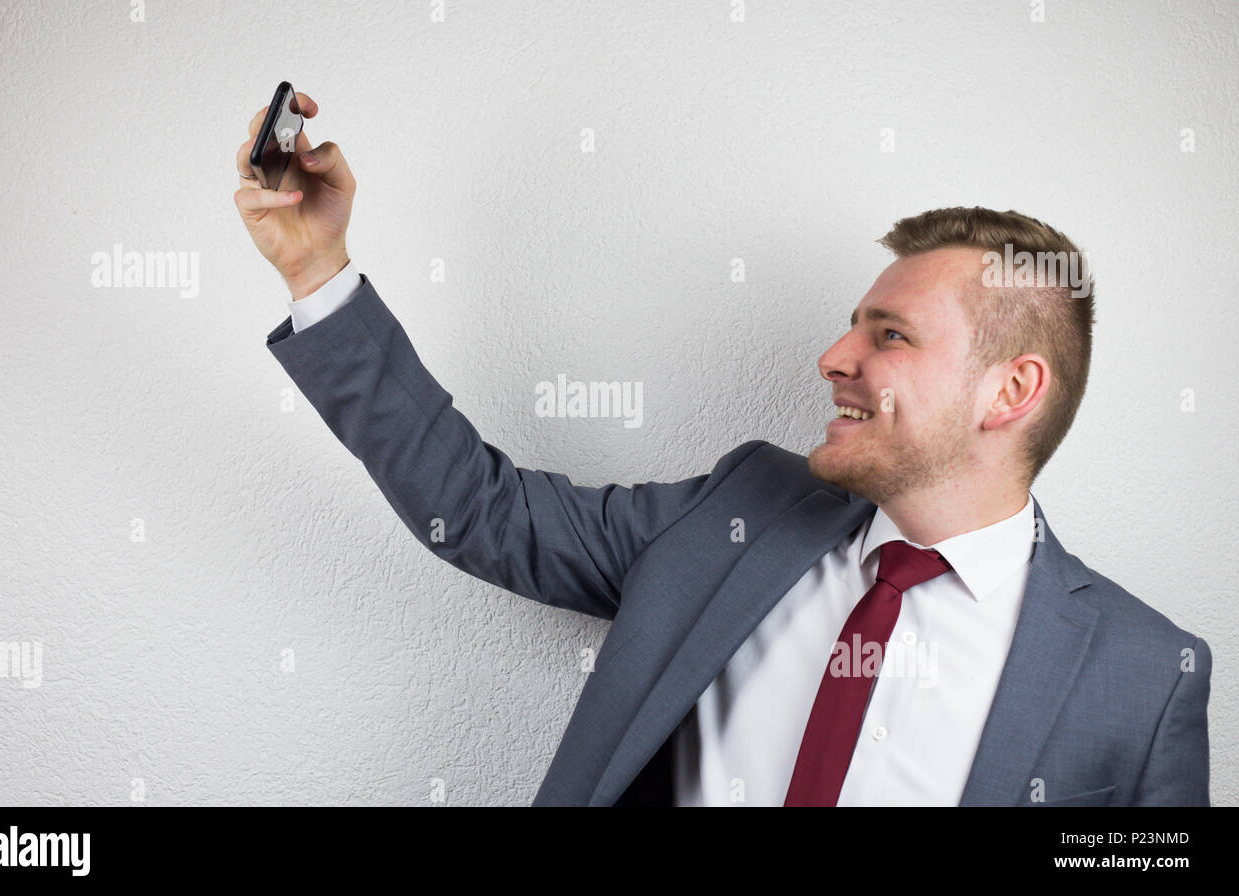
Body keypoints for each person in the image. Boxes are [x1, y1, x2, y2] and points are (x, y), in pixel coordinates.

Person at [234, 92, 1210, 806]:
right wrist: (318, 273)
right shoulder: (740, 515)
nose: (835, 358)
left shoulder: (1143, 675)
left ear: (1011, 389)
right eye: (851, 325)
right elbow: (485, 512)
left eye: (891, 335)